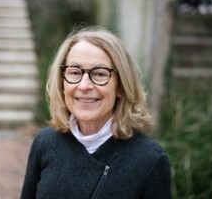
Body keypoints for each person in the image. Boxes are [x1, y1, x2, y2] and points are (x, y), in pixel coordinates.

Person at [21, 26, 171, 199]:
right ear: (62, 82)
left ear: (121, 86)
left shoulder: (150, 160)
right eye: (75, 72)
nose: (84, 86)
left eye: (100, 74)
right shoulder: (45, 142)